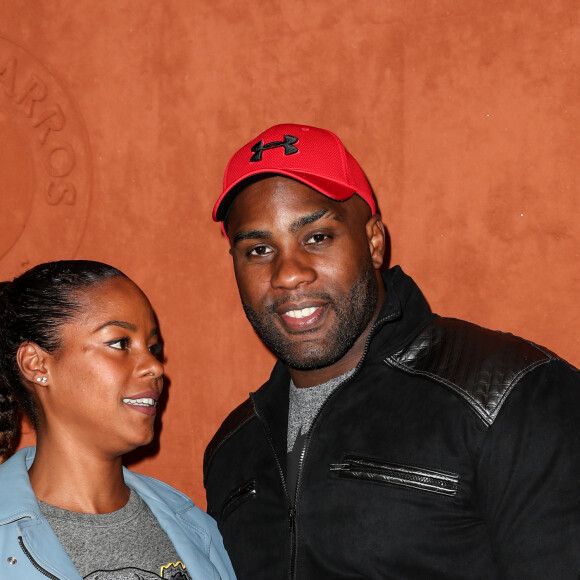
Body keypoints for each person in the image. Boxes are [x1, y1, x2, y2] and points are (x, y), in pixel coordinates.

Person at [203, 123, 580, 579]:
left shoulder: (513, 393)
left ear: (374, 242)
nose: (288, 274)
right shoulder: (232, 449)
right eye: (259, 249)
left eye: (317, 237)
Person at [0, 260, 235, 580]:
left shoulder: (195, 526)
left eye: (153, 348)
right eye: (120, 343)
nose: (155, 367)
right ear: (37, 364)